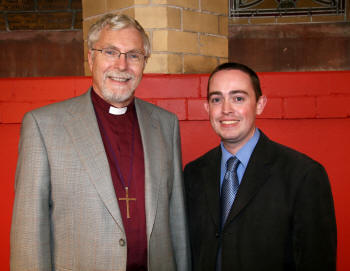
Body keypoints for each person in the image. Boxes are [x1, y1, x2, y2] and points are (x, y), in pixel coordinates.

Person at [11, 13, 190, 271]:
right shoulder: (44, 126)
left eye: (134, 55)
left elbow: (177, 222)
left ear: (144, 63)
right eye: (110, 52)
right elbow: (29, 234)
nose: (122, 65)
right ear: (91, 58)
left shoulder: (165, 125)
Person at [184, 62, 337, 271]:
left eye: (238, 98)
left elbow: (317, 262)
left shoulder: (303, 175)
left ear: (260, 104)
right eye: (217, 99)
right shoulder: (193, 174)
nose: (226, 110)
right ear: (207, 108)